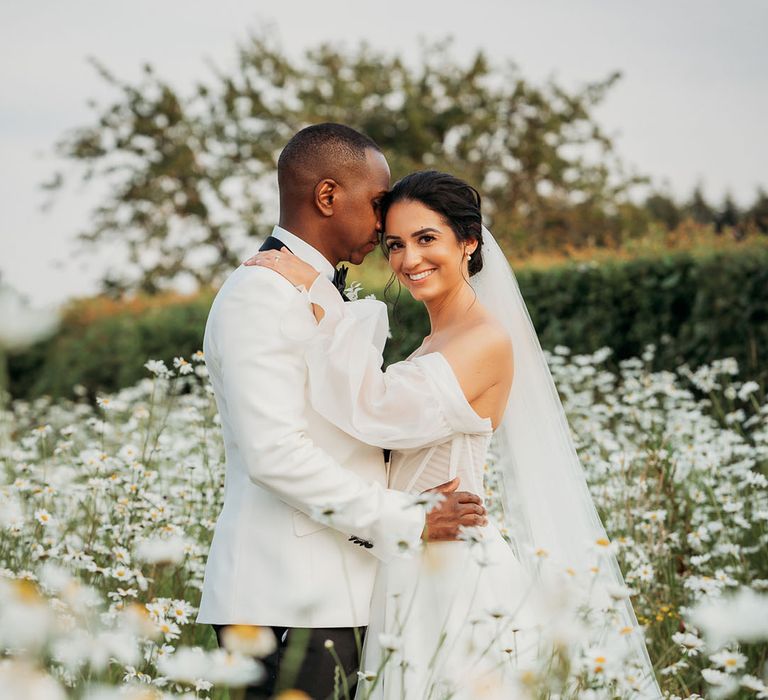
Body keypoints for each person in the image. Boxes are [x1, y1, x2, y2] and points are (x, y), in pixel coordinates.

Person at [248, 170, 662, 698]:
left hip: (452, 566)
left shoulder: (484, 339)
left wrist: (315, 290)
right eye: (394, 244)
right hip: (410, 555)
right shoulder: (435, 342)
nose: (409, 259)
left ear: (468, 242)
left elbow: (372, 410)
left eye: (426, 239)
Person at [196, 126, 488, 700]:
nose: (385, 225)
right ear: (328, 197)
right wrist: (408, 519)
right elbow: (273, 454)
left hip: (336, 587)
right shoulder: (260, 294)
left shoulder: (314, 289)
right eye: (378, 203)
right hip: (285, 593)